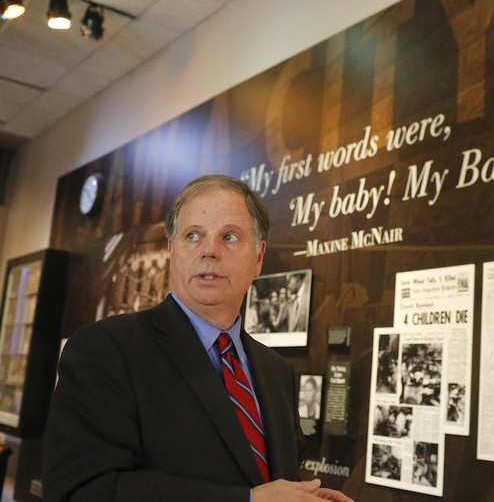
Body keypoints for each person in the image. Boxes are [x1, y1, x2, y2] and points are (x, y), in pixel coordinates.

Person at [42, 175, 352, 502]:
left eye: (229, 236)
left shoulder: (277, 372)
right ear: (172, 250)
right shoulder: (105, 350)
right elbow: (78, 491)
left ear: (259, 257)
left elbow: (265, 482)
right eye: (193, 236)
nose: (209, 251)